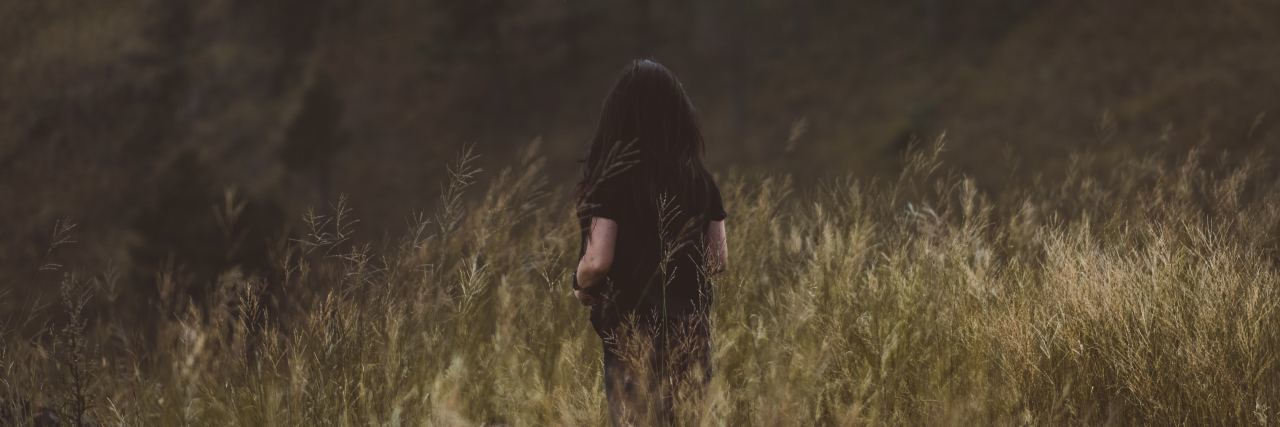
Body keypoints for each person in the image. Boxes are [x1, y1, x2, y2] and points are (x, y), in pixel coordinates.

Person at [572, 59, 729, 426]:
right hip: (692, 333)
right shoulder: (699, 179)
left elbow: (597, 261)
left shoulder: (611, 181)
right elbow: (718, 261)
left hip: (632, 336)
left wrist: (580, 284)